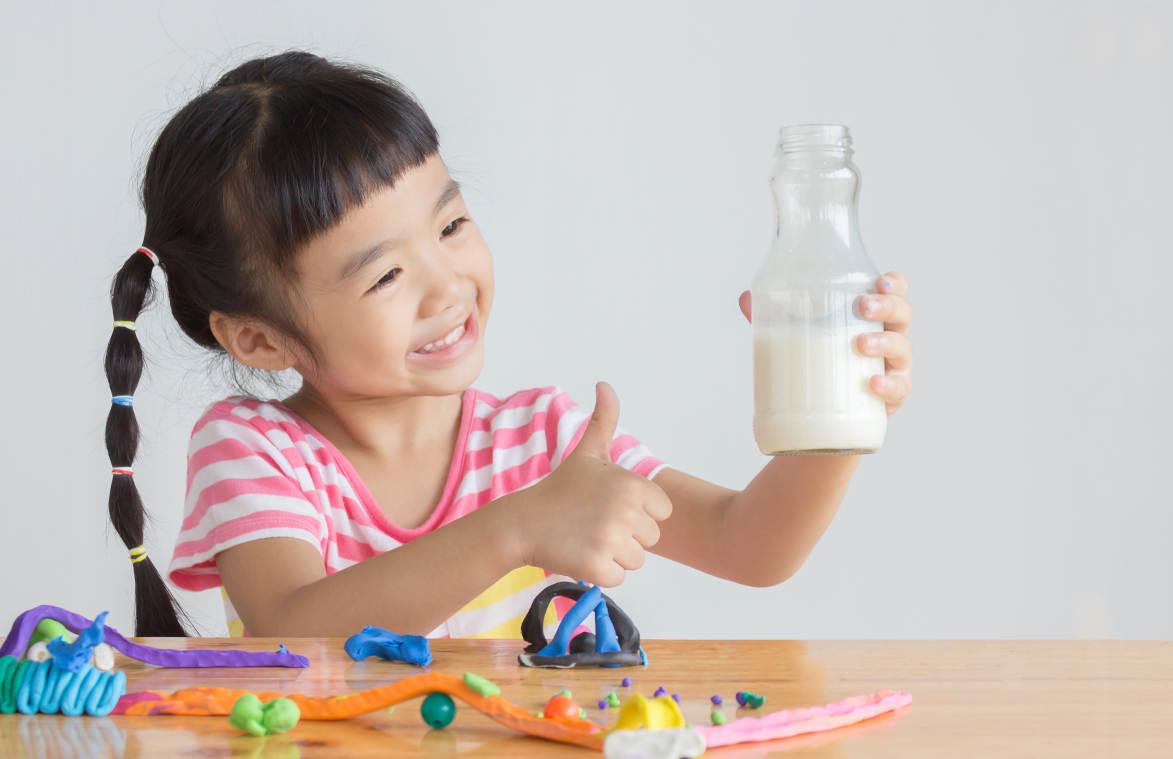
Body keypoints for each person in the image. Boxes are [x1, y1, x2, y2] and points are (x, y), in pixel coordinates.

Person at [103, 50, 914, 637]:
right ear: (260, 339)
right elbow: (295, 631)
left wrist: (841, 406)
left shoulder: (541, 444)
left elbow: (751, 543)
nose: (447, 283)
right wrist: (518, 527)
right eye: (385, 276)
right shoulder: (254, 449)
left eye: (451, 224)